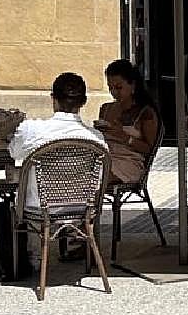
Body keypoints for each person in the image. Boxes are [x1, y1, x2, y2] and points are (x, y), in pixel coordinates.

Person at [9, 73, 106, 210]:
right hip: (81, 209)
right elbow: (99, 177)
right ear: (83, 102)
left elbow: (14, 153)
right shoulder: (96, 139)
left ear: (53, 99)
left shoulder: (31, 130)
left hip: (38, 208)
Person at [96, 59, 160, 185]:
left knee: (95, 176)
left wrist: (125, 137)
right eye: (110, 88)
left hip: (129, 162)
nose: (114, 92)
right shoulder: (106, 109)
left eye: (119, 87)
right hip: (106, 157)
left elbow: (149, 150)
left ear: (133, 85)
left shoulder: (145, 113)